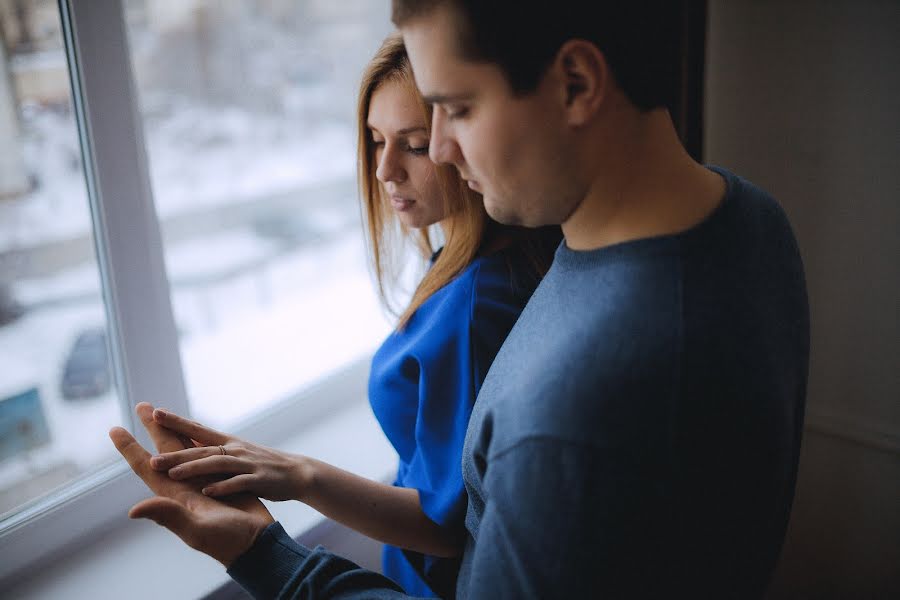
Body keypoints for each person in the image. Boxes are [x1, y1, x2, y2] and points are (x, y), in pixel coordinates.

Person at [112, 2, 810, 598]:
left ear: (575, 81)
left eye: (456, 109)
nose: (440, 149)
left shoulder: (569, 410)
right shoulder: (751, 218)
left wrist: (263, 554)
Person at [117, 33, 555, 599]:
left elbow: (445, 527)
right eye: (375, 141)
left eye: (414, 145)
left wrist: (300, 476)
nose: (384, 171)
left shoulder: (473, 309)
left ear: (459, 141)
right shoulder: (478, 257)